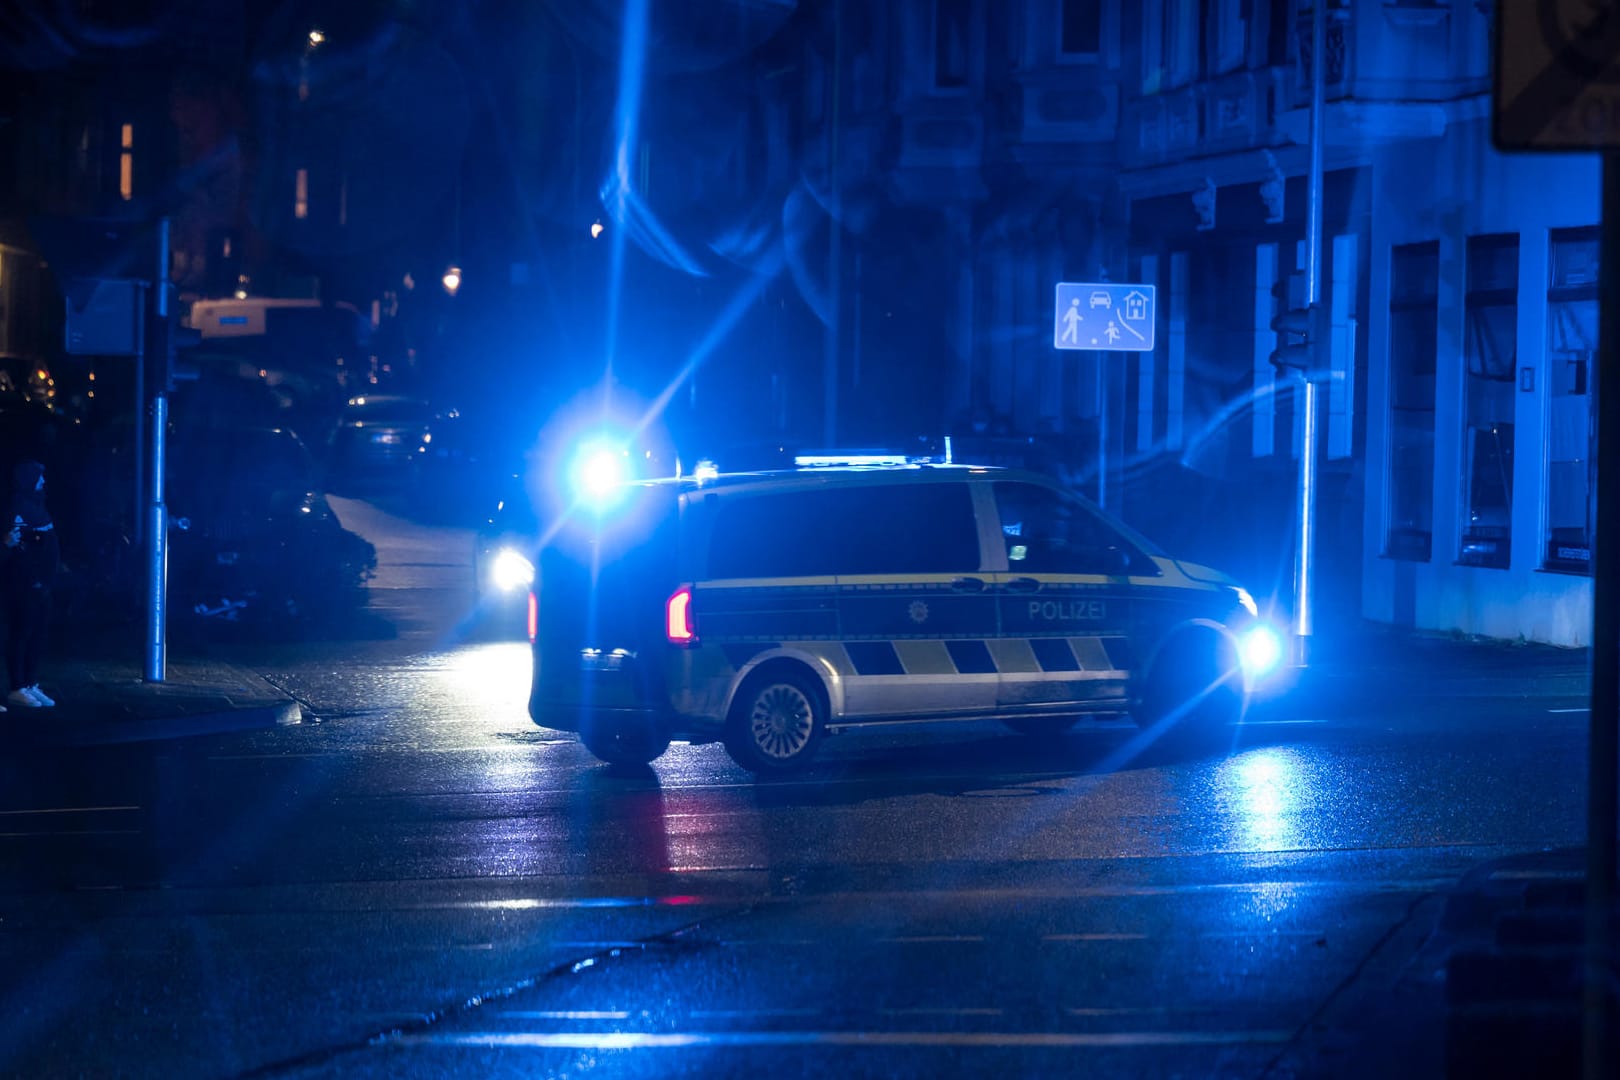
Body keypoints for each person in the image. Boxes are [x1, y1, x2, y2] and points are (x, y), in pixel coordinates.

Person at [5, 461, 58, 708]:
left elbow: (42, 544)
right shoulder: (16, 507)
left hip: (42, 585)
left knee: (37, 634)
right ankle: (18, 686)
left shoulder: (38, 506)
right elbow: (20, 548)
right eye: (39, 478)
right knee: (21, 633)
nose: (43, 482)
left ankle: (29, 682)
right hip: (23, 585)